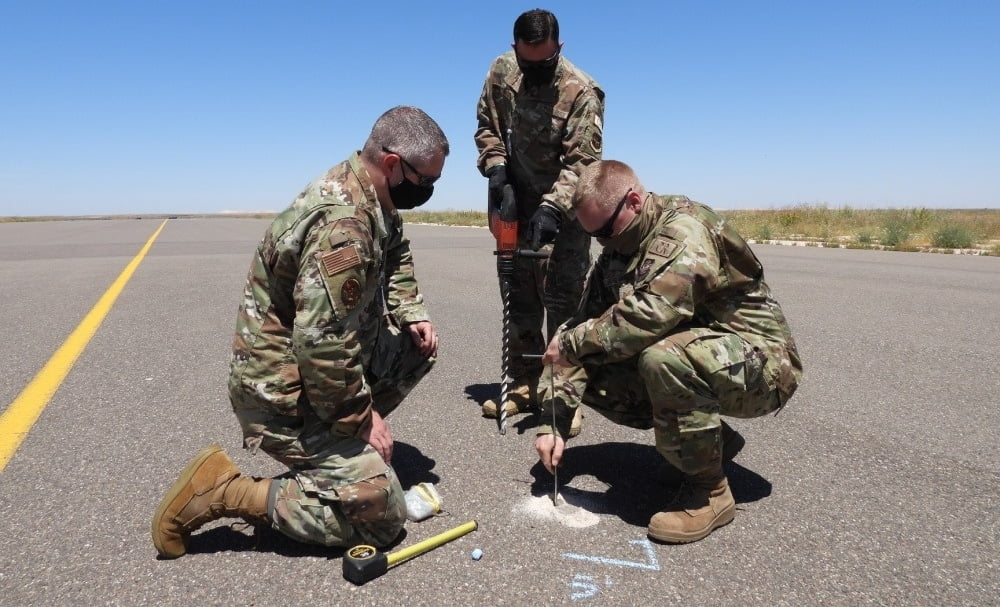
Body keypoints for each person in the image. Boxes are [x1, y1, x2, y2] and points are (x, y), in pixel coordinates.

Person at [152, 106, 449, 558]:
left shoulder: (375, 198)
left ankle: (338, 447)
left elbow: (396, 251)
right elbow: (320, 342)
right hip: (279, 390)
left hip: (319, 368)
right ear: (393, 164)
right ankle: (225, 491)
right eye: (425, 180)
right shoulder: (343, 225)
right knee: (382, 516)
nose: (428, 190)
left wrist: (410, 311)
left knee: (416, 348)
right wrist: (361, 417)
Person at [534, 160, 803, 544]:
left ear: (633, 201)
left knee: (660, 357)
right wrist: (553, 422)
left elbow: (649, 315)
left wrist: (572, 343)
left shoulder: (684, 230)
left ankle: (709, 492)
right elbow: (579, 329)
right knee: (595, 353)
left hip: (763, 365)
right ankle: (710, 442)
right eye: (594, 236)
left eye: (606, 231)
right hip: (704, 356)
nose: (603, 244)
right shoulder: (620, 247)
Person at [475, 8, 605, 426]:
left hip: (562, 216)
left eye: (544, 62)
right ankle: (523, 383)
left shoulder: (581, 91)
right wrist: (497, 169)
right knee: (518, 299)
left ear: (559, 48)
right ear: (514, 48)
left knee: (564, 305)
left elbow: (583, 162)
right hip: (512, 207)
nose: (534, 70)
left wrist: (552, 206)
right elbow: (487, 126)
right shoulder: (501, 71)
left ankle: (562, 396)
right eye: (527, 61)